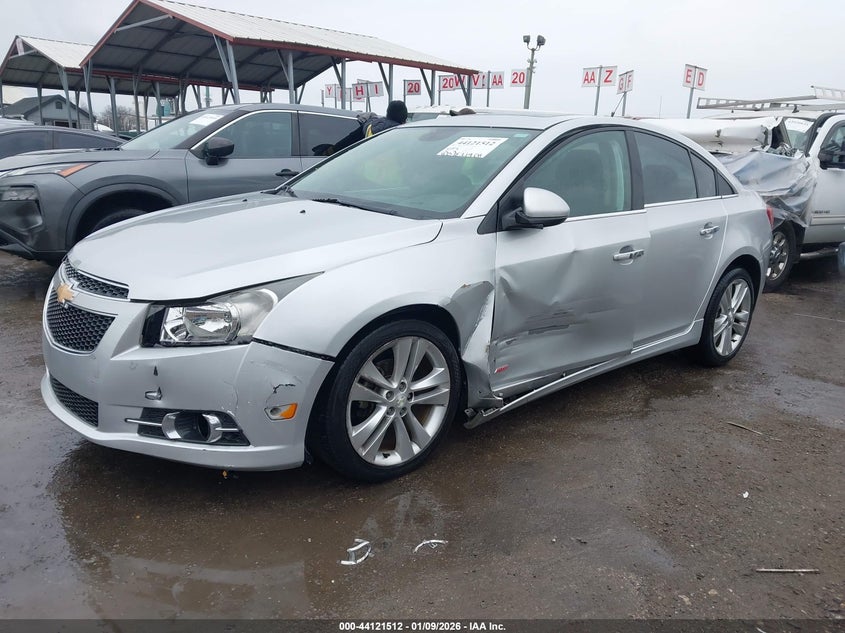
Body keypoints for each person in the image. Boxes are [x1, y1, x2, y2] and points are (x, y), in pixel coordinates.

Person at [316, 100, 408, 155]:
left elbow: (350, 139)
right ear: (404, 116)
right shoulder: (402, 133)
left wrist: (328, 151)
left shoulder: (370, 125)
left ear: (388, 113)